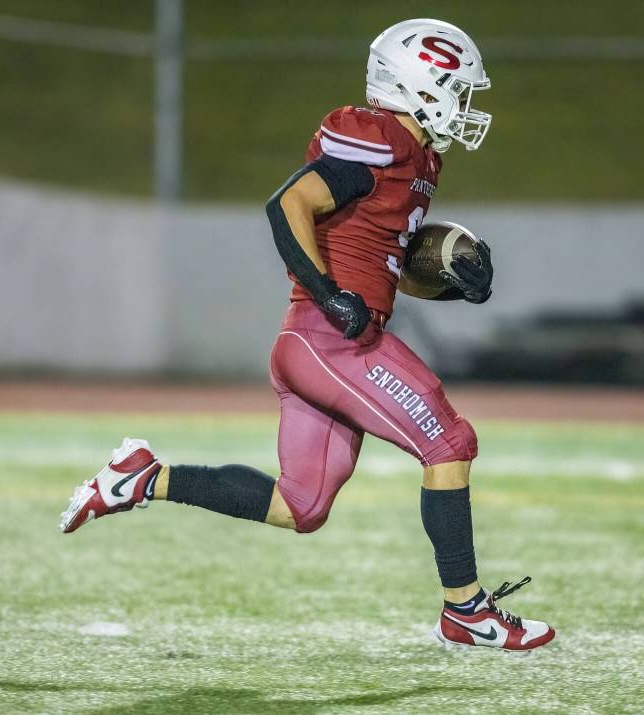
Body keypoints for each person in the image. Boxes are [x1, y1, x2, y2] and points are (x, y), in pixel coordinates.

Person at [60, 18, 555, 653]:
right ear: (420, 84)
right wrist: (328, 294)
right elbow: (288, 204)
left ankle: (140, 478)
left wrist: (451, 283)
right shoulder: (378, 140)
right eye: (456, 88)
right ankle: (465, 611)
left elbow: (386, 269)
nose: (463, 105)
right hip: (330, 339)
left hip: (317, 340)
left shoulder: (418, 155)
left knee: (302, 505)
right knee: (449, 441)